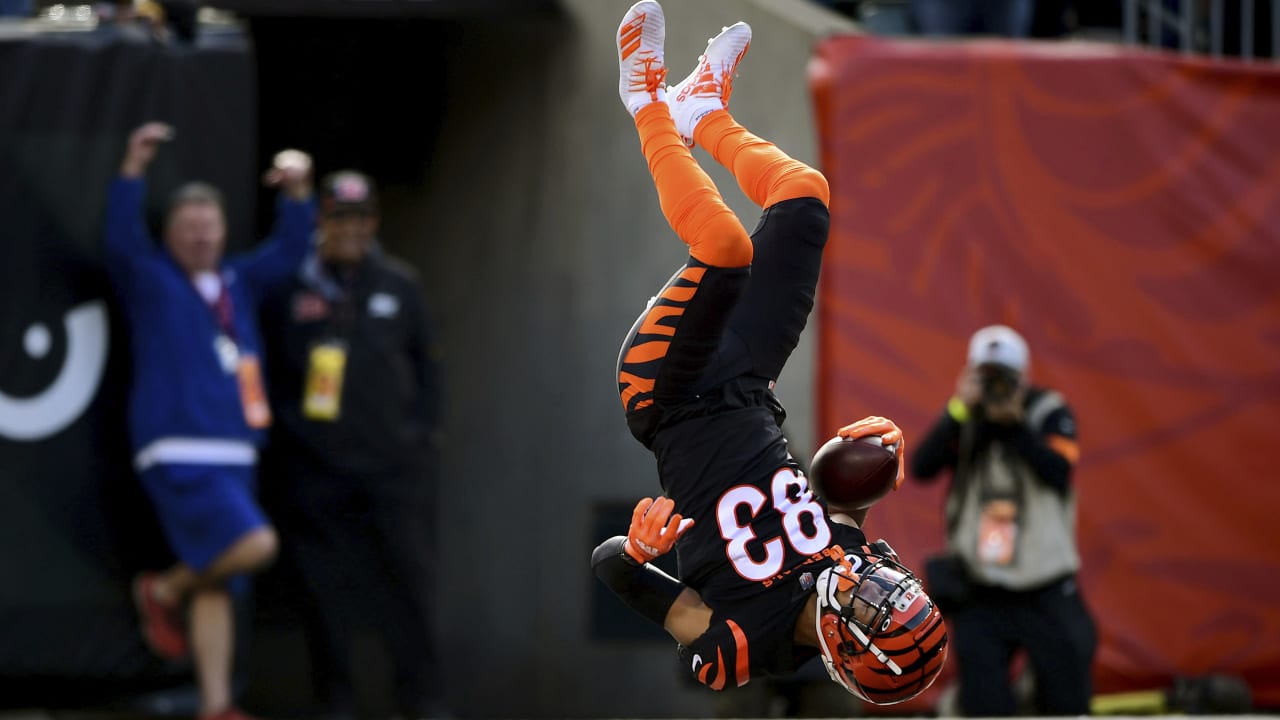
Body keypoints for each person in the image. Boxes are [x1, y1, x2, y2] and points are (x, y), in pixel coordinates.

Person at [592, 1, 948, 706]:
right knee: (803, 197)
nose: (881, 586)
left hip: (669, 393)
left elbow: (612, 570)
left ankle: (649, 106)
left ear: (849, 646)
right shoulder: (853, 566)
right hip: (750, 382)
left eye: (879, 611)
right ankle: (702, 112)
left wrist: (636, 554)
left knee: (724, 250)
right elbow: (836, 497)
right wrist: (880, 454)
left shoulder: (739, 646)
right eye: (895, 595)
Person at [104, 121, 315, 720]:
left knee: (220, 578)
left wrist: (298, 193)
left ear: (224, 232)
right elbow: (119, 240)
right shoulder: (152, 279)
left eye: (209, 226)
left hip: (235, 449)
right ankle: (163, 590)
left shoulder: (235, 282)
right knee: (255, 544)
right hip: (178, 447)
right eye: (188, 228)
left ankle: (216, 704)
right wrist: (132, 168)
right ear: (169, 235)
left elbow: (289, 252)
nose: (199, 237)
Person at [259, 170, 444, 720]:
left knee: (409, 582)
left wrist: (420, 437)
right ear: (321, 221)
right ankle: (335, 701)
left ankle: (422, 699)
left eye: (360, 219)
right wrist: (296, 439)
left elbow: (430, 372)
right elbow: (269, 376)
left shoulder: (399, 285)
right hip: (317, 471)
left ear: (374, 223)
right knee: (325, 590)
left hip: (393, 470)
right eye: (340, 218)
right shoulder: (291, 291)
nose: (350, 229)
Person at [909, 324, 1096, 716]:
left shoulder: (1049, 411)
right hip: (983, 590)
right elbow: (921, 468)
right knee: (984, 703)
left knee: (1065, 700)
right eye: (986, 375)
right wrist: (959, 407)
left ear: (1024, 375)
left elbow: (1059, 471)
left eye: (1004, 376)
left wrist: (1014, 425)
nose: (996, 386)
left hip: (1045, 588)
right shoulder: (966, 417)